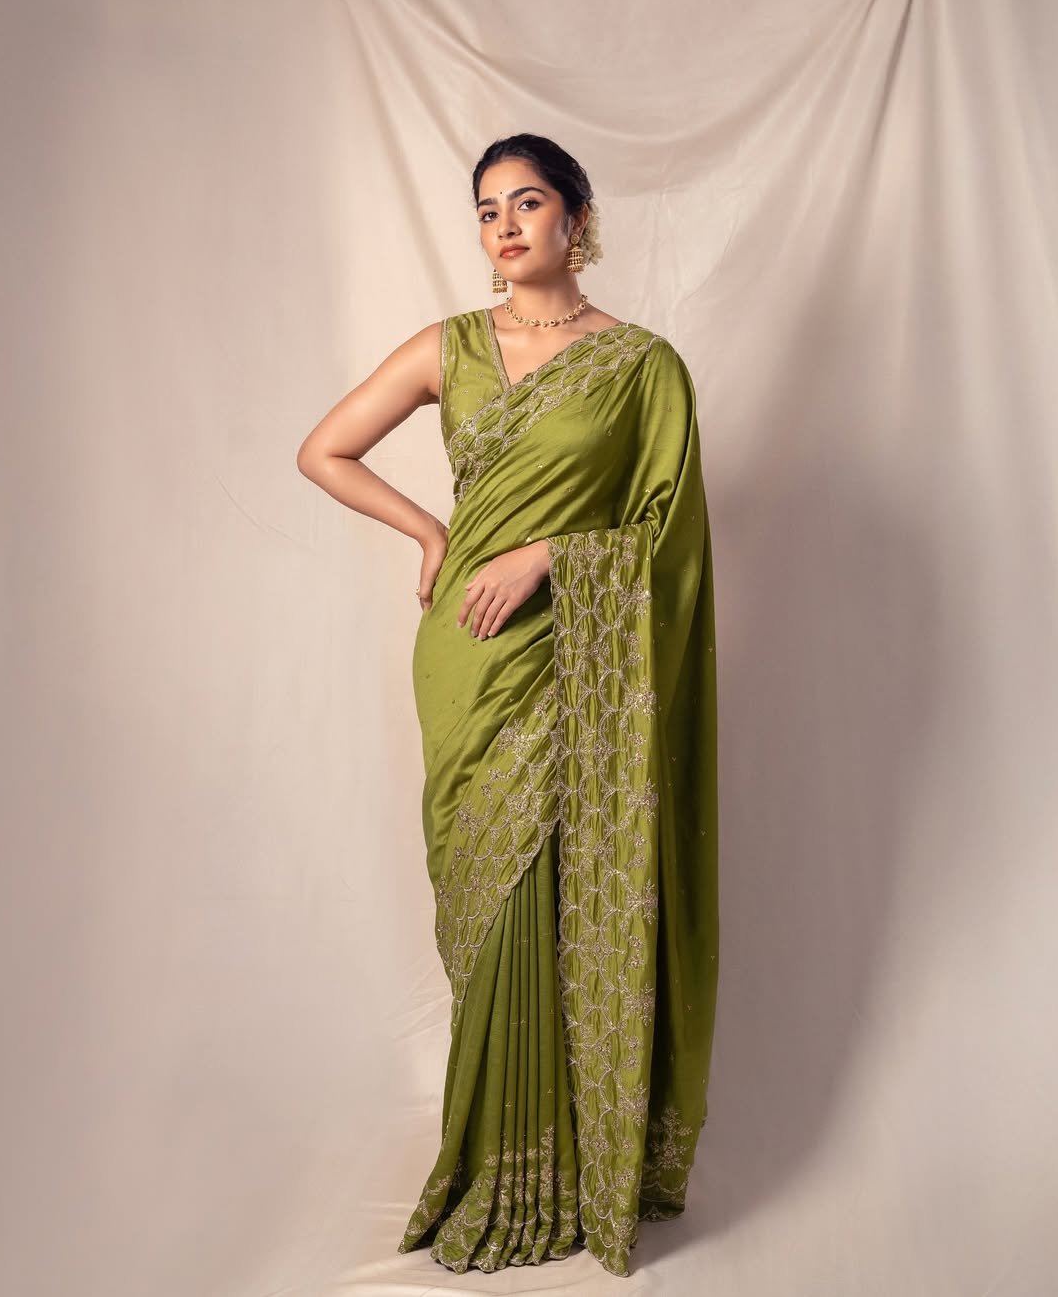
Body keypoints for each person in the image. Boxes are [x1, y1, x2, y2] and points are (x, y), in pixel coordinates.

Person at [296, 133, 719, 1278]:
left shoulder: (642, 367)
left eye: (528, 203)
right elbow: (324, 449)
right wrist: (431, 530)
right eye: (488, 211)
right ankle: (494, 1156)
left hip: (571, 652)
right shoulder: (449, 348)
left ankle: (572, 1164)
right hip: (469, 656)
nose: (506, 227)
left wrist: (550, 555)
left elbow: (670, 538)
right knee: (484, 897)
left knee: (560, 889)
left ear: (578, 217)